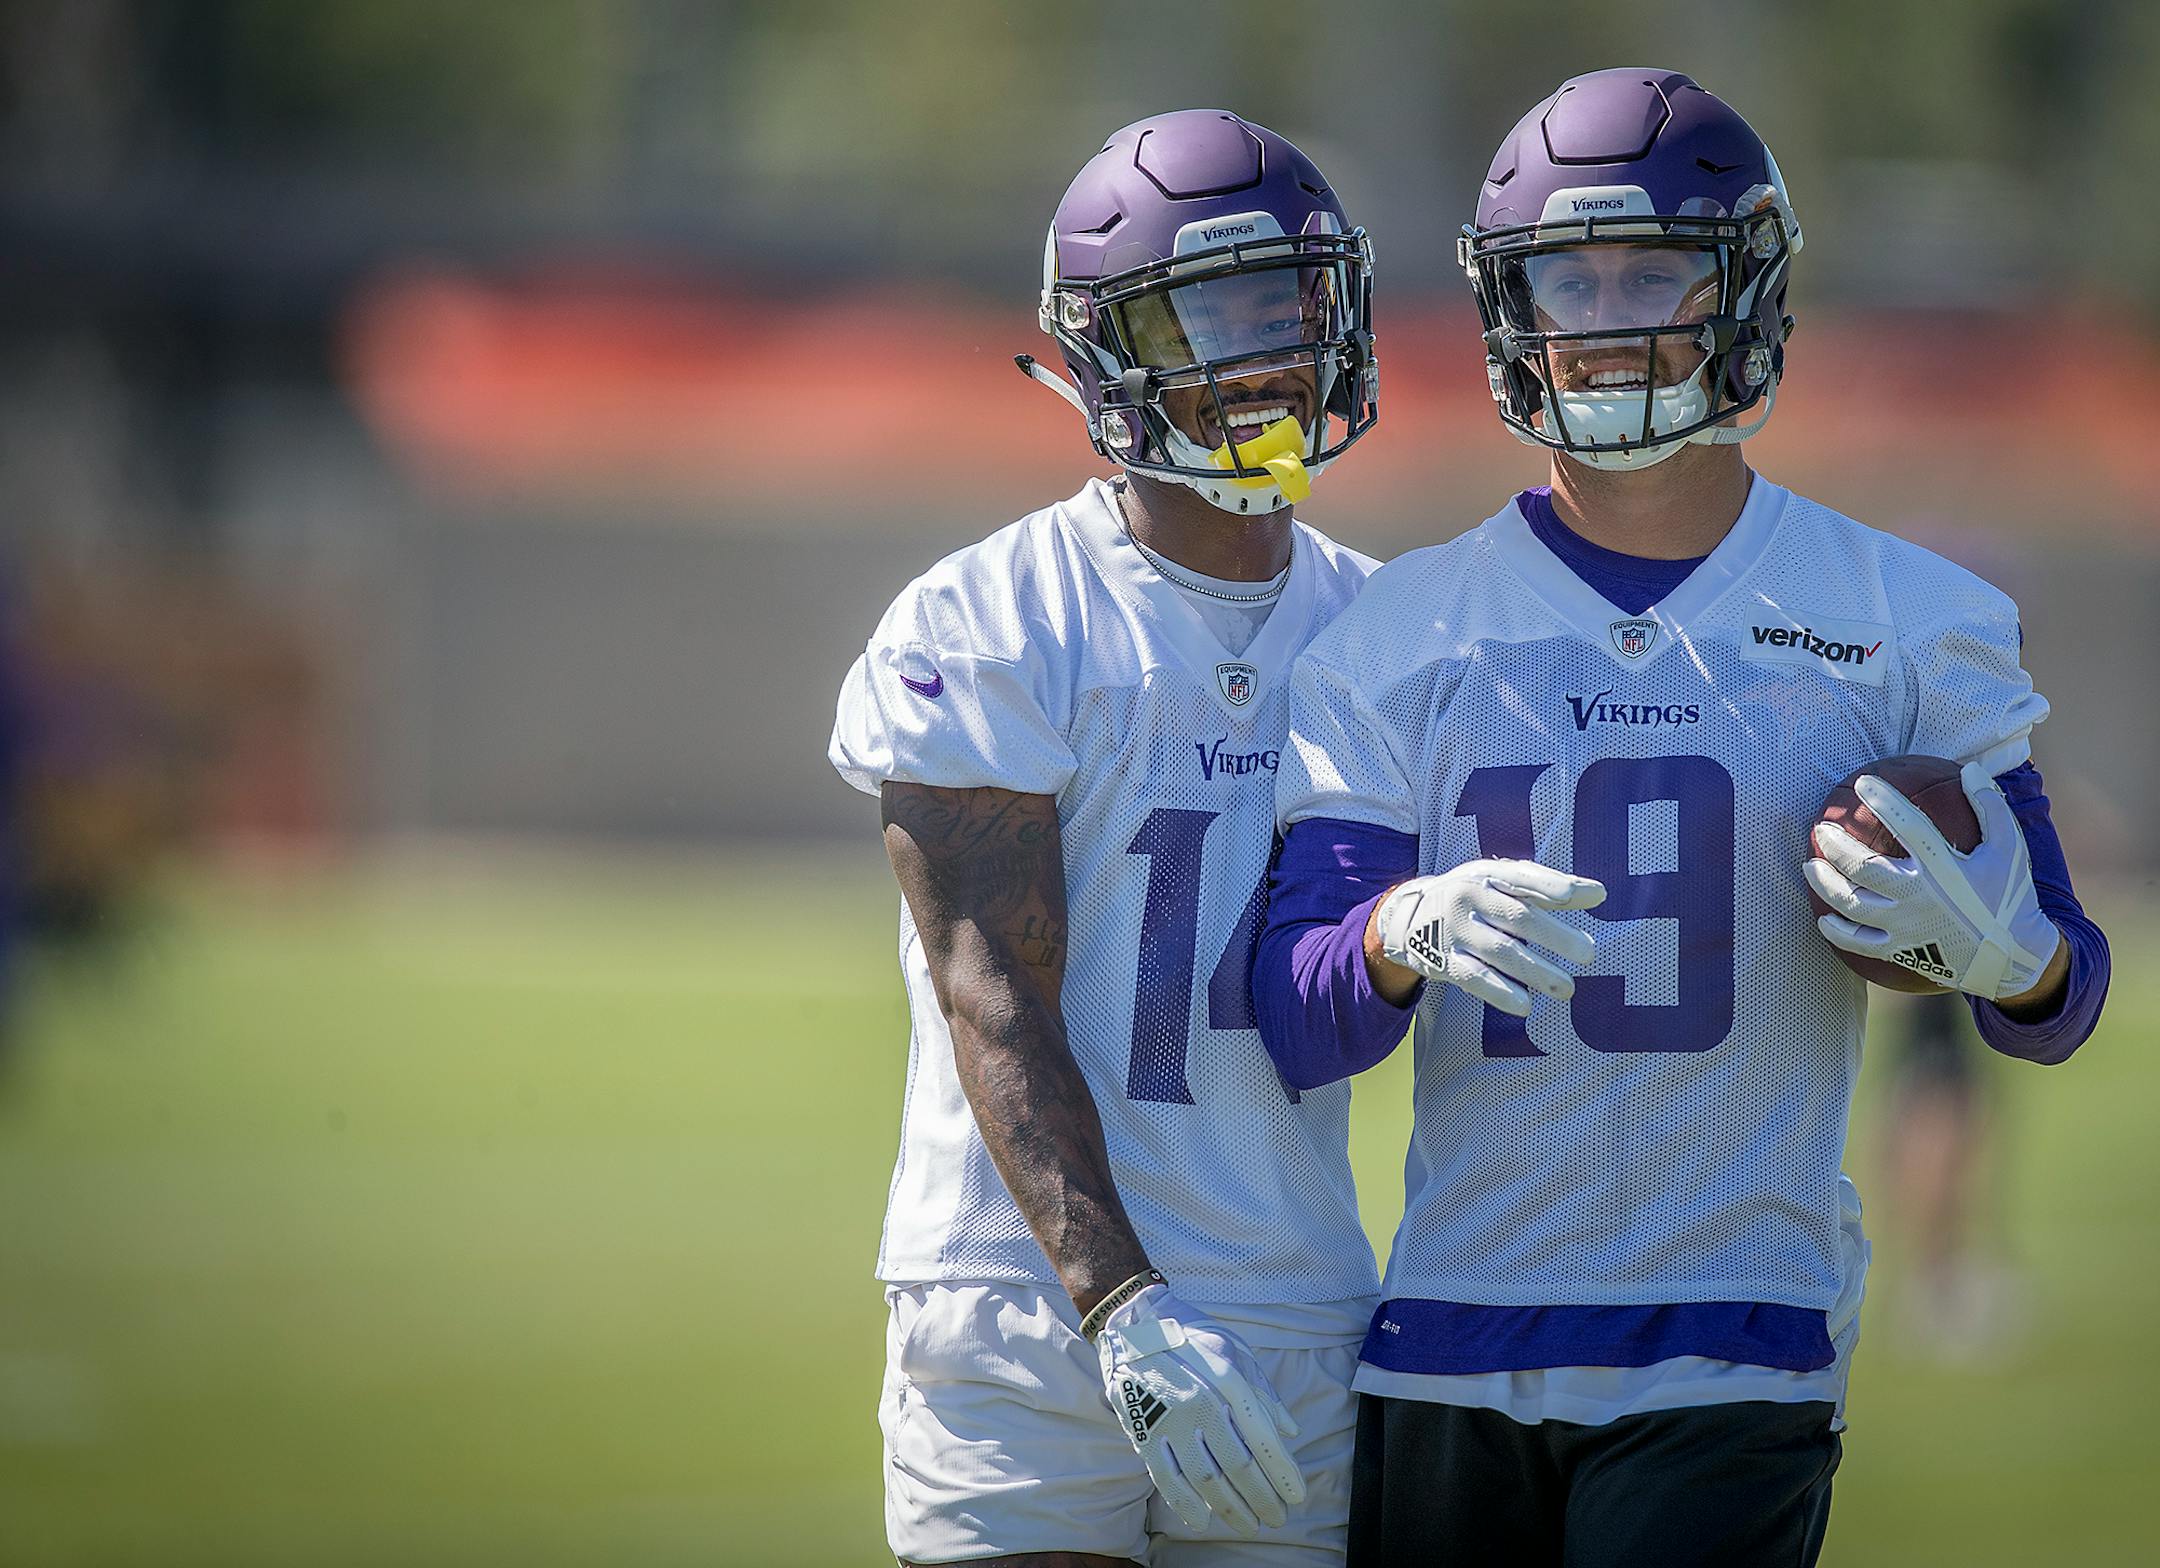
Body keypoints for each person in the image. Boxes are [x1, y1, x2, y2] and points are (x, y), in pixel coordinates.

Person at [1249, 69, 2110, 1568]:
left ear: (1747, 295)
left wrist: (2010, 953)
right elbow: (1300, 1016)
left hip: (1737, 1344)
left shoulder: (1910, 621)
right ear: (1510, 312)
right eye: (1565, 280)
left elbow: (2064, 1000)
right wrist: (1395, 932)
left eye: (1655, 271)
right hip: (1451, 1334)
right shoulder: (1397, 633)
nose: (1606, 318)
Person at [830, 109, 1385, 1567]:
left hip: (1289, 1292)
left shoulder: (1392, 631)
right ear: (1101, 353)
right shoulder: (992, 618)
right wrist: (1119, 1303)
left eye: (1286, 304)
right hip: (1027, 1298)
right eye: (1206, 314)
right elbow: (988, 983)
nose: (1258, 352)